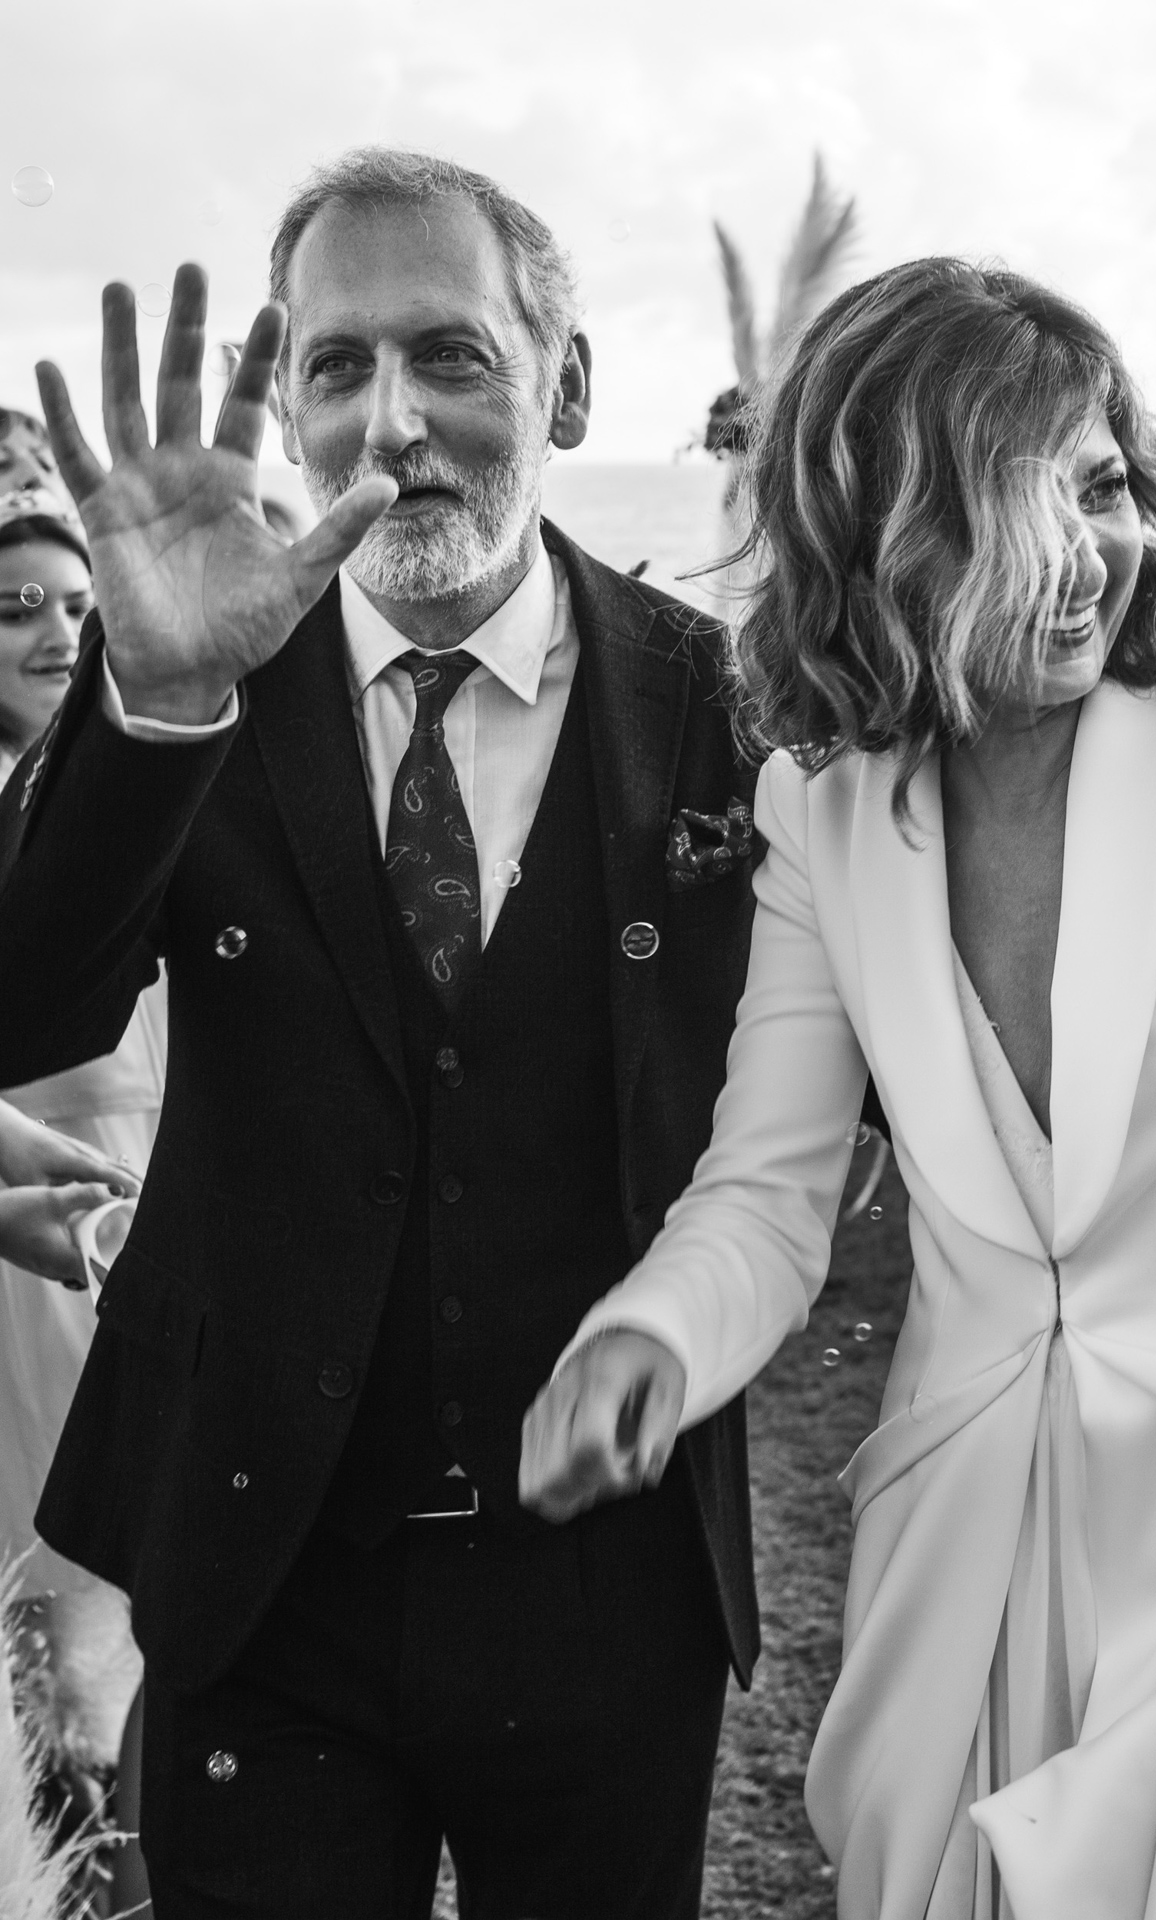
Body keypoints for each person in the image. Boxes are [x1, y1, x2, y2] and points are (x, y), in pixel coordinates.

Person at [0, 148, 761, 1918]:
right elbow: (29, 1004)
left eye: (451, 355)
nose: (389, 420)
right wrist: (155, 706)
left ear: (567, 386)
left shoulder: (721, 704)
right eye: (335, 365)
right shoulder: (197, 672)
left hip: (606, 1575)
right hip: (257, 1563)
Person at [522, 258, 1156, 1919]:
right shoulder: (826, 813)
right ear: (880, 544)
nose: (1084, 558)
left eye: (1101, 487)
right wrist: (651, 1339)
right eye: (1013, 511)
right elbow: (768, 1190)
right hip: (961, 1556)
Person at [0, 476, 160, 1913]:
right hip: (33, 1256)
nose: (56, 631)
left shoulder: (162, 789)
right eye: (16, 608)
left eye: (76, 602)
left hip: (158, 1206)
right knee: (58, 1611)